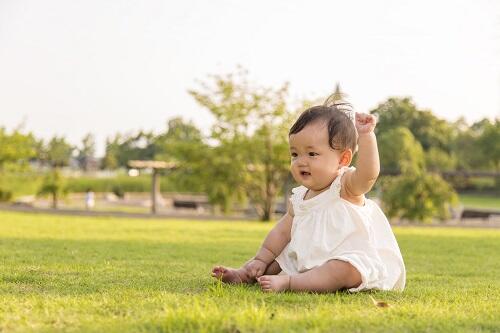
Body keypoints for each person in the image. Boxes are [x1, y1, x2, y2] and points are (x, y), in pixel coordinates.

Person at [211, 97, 406, 293]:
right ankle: (244, 274)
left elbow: (368, 175)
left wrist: (366, 137)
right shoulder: (299, 197)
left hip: (345, 257)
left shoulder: (345, 186)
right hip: (307, 258)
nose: (301, 161)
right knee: (278, 260)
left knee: (341, 269)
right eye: (295, 154)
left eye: (312, 154)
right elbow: (281, 233)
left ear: (343, 159)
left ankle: (290, 283)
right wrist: (261, 259)